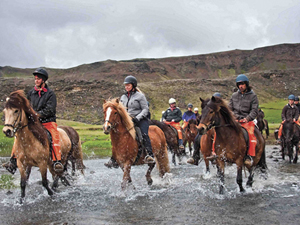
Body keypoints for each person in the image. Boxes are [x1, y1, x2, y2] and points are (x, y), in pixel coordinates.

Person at [3, 68, 64, 174]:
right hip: (35, 123)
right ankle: (13, 160)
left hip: (48, 122)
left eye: (38, 79)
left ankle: (56, 161)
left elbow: (50, 109)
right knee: (19, 135)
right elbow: (27, 107)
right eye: (35, 79)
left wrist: (36, 115)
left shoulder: (50, 94)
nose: (36, 81)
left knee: (54, 136)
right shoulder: (31, 93)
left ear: (43, 80)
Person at [105, 75, 155, 168]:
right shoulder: (123, 97)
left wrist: (137, 118)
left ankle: (149, 155)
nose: (126, 87)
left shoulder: (140, 96)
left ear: (133, 85)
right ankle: (114, 158)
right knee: (115, 134)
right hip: (128, 120)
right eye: (125, 85)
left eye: (128, 85)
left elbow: (145, 109)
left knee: (143, 134)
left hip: (140, 119)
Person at [228, 74, 259, 167]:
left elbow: (254, 110)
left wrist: (247, 118)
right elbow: (230, 109)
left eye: (242, 84)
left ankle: (248, 156)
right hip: (236, 120)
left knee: (249, 134)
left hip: (247, 120)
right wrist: (236, 116)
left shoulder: (253, 96)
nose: (241, 86)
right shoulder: (234, 96)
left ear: (246, 84)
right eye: (239, 84)